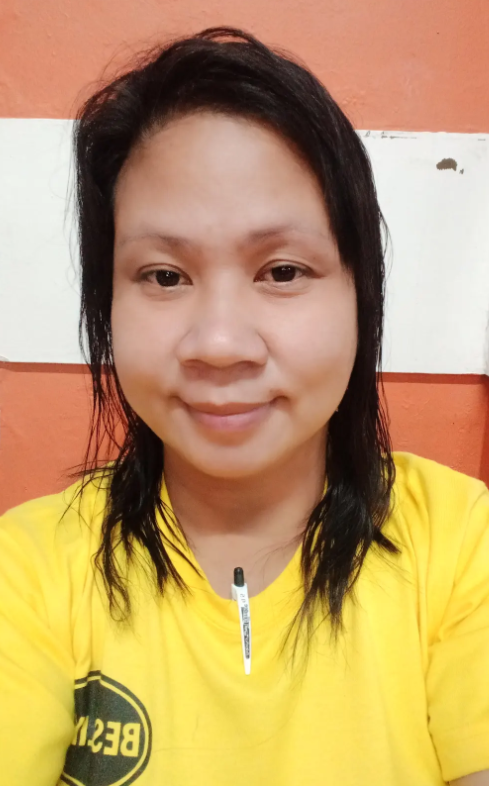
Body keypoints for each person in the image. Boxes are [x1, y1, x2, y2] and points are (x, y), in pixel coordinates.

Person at [0, 25, 488, 786]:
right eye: (164, 276)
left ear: (360, 293)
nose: (220, 344)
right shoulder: (26, 570)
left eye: (282, 271)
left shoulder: (461, 546)